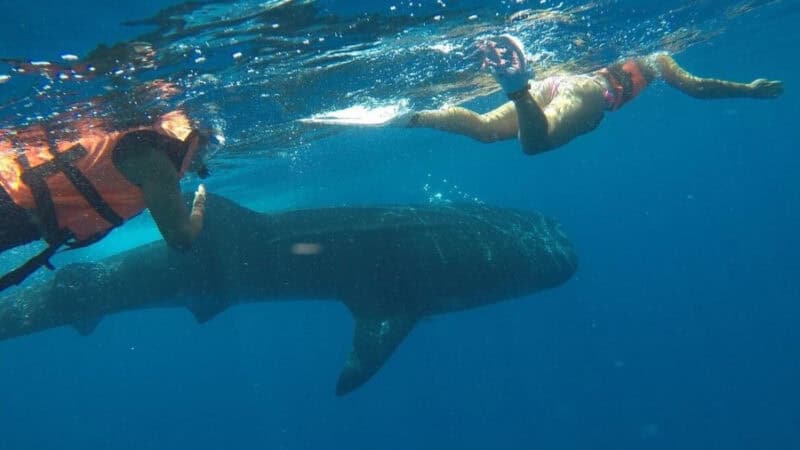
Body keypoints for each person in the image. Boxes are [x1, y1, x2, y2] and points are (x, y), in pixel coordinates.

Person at [403, 35, 784, 155]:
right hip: (591, 91)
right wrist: (747, 90)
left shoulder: (599, 44)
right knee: (536, 143)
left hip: (555, 81)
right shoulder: (656, 57)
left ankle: (410, 115)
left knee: (485, 129)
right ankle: (517, 88)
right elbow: (698, 88)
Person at [0, 95, 210, 291]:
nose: (202, 161)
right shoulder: (158, 166)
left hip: (13, 189)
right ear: (197, 140)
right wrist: (200, 204)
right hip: (16, 205)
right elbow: (181, 239)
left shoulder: (144, 136)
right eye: (207, 149)